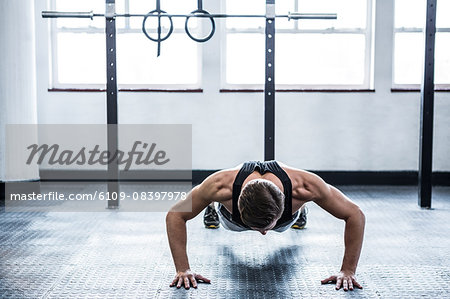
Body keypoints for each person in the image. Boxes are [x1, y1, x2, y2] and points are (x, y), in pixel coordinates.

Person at [166, 160, 365, 291]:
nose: (262, 234)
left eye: (266, 227)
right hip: (231, 218)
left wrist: (348, 270)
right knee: (216, 207)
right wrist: (183, 269)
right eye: (257, 228)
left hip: (286, 217)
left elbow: (355, 214)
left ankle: (300, 210)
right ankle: (211, 205)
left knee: (285, 224)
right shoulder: (220, 186)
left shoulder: (305, 187)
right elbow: (175, 215)